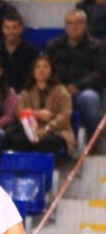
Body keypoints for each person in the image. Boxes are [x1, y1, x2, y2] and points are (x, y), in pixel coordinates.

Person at [45, 10, 104, 148]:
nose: (73, 27)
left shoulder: (96, 46)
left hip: (83, 91)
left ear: (85, 24)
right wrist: (59, 88)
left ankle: (95, 144)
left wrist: (77, 86)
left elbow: (101, 73)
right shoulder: (54, 46)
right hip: (57, 91)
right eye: (69, 23)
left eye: (77, 23)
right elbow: (45, 68)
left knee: (89, 99)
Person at [6, 55, 75, 158]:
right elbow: (20, 112)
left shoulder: (61, 91)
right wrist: (36, 114)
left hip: (56, 131)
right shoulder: (27, 92)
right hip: (32, 130)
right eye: (37, 67)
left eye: (45, 67)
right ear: (33, 71)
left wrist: (47, 128)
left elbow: (64, 117)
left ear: (51, 70)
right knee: (15, 138)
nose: (41, 70)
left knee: (45, 141)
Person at [0, 10, 38, 96]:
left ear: (21, 28)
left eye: (14, 28)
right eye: (7, 28)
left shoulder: (31, 52)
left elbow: (33, 79)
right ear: (2, 28)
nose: (11, 32)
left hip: (24, 95)